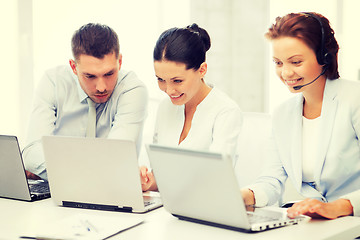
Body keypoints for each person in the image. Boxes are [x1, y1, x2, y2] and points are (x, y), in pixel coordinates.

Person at [241, 12, 360, 219]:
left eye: (295, 62)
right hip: (311, 222)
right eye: (278, 63)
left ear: (324, 56)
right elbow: (272, 180)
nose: (285, 73)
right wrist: (241, 196)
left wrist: (340, 206)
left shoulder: (354, 100)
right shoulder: (283, 114)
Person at [23, 23, 148, 180]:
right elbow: (31, 152)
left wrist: (51, 167)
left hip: (112, 193)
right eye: (90, 76)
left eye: (109, 73)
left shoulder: (132, 89)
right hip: (59, 193)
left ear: (120, 62)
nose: (101, 87)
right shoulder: (53, 83)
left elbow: (117, 157)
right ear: (74, 67)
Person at [141, 23, 242, 191]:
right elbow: (161, 177)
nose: (169, 90)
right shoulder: (165, 107)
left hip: (209, 208)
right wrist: (148, 182)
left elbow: (216, 180)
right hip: (172, 207)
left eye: (177, 80)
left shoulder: (226, 111)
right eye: (160, 79)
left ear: (202, 70)